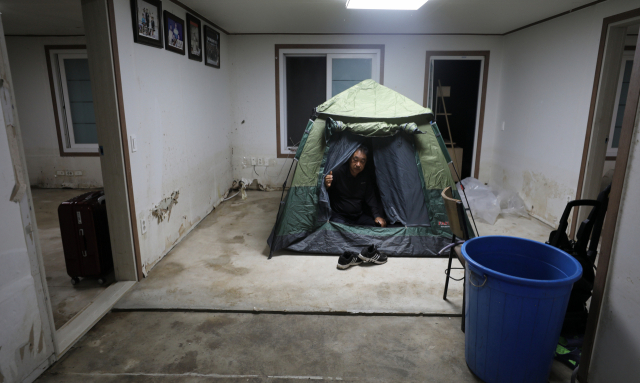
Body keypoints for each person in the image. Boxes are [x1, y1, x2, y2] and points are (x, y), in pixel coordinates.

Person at [324, 145, 387, 227]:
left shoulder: (365, 176)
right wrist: (326, 185)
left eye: (362, 161)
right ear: (349, 159)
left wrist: (377, 216)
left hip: (357, 216)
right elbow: (325, 193)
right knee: (338, 227)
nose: (358, 164)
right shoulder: (338, 172)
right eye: (355, 160)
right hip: (339, 216)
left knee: (376, 225)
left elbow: (370, 197)